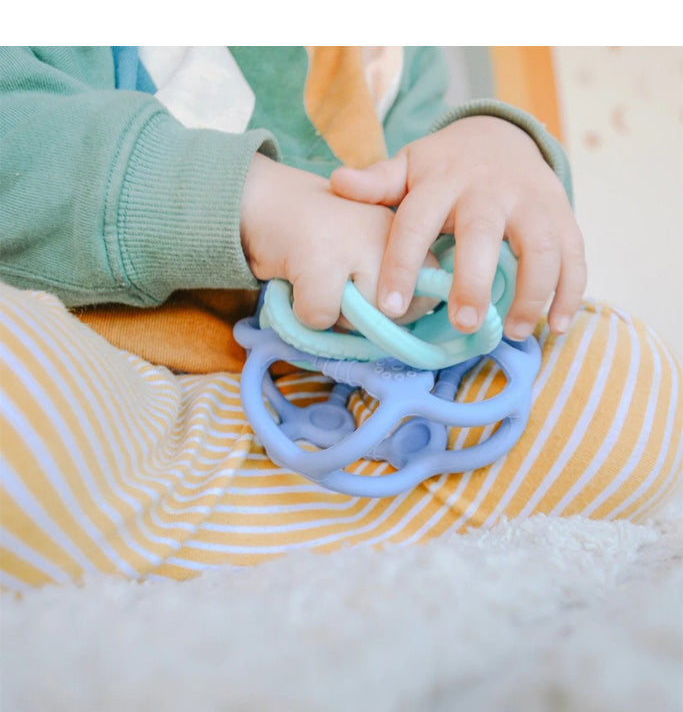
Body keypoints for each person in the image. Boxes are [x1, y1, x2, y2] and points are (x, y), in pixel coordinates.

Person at [0, 46, 680, 590]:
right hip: (107, 380)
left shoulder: (387, 53)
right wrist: (250, 200)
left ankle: (243, 524)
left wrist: (497, 148)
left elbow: (454, 274)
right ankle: (302, 534)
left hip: (330, 399)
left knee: (626, 387)